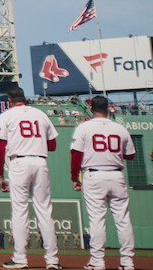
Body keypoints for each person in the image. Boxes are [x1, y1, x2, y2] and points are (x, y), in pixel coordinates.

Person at [0, 87, 58, 270]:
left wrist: (0, 174)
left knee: (20, 211)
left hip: (19, 163)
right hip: (40, 161)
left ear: (9, 99)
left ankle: (20, 258)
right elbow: (52, 145)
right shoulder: (40, 114)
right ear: (24, 98)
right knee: (45, 211)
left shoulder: (6, 116)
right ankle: (52, 260)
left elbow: (0, 148)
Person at [69, 96, 134, 270]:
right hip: (116, 175)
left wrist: (74, 177)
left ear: (91, 108)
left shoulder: (84, 127)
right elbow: (131, 155)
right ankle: (127, 262)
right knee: (123, 220)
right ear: (108, 108)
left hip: (94, 175)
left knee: (97, 219)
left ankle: (97, 261)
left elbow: (76, 154)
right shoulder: (120, 128)